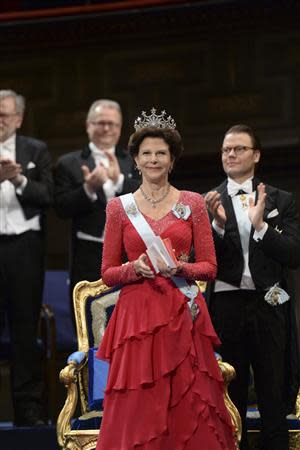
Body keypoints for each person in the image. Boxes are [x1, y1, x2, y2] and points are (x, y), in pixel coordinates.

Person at [95, 108, 236, 450]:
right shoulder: (119, 207)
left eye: (161, 153)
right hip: (136, 318)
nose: (154, 159)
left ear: (172, 160)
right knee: (140, 403)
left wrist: (181, 269)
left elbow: (209, 267)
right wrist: (134, 269)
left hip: (182, 313)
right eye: (147, 153)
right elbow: (108, 271)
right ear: (136, 160)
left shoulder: (192, 203)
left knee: (188, 402)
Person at [205, 124, 300, 450]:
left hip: (271, 302)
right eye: (226, 150)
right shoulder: (207, 202)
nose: (231, 154)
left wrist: (261, 227)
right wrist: (217, 225)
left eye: (239, 148)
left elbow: (294, 255)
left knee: (273, 394)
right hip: (225, 304)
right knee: (230, 395)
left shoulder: (282, 200)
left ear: (256, 155)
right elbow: (201, 260)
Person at [54, 99, 139, 316]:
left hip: (130, 254)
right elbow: (61, 208)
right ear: (88, 125)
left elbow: (148, 198)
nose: (106, 128)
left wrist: (119, 180)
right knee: (89, 319)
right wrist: (89, 188)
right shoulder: (68, 163)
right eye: (100, 122)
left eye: (113, 124)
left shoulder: (134, 160)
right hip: (88, 256)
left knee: (129, 320)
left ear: (120, 128)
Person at [0, 89, 53, 425]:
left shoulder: (36, 150)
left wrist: (18, 178)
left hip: (24, 248)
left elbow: (48, 195)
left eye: (4, 115)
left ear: (18, 118)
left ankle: (29, 409)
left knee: (24, 328)